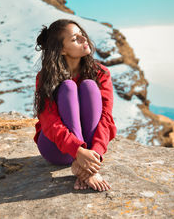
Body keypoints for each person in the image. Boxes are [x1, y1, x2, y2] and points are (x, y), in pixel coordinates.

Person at [33, 18, 117, 191]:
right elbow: (49, 122)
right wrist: (78, 152)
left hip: (88, 150)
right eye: (74, 38)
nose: (84, 39)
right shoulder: (45, 77)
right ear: (62, 49)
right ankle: (79, 163)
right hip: (56, 149)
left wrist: (94, 159)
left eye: (82, 34)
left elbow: (106, 118)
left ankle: (82, 168)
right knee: (68, 87)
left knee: (89, 85)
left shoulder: (100, 73)